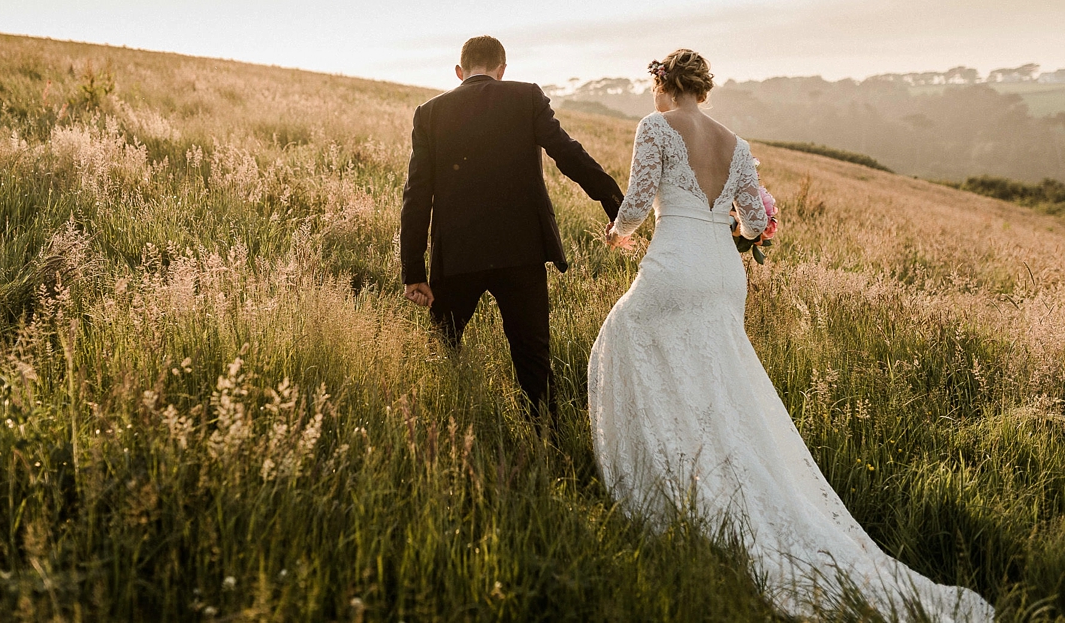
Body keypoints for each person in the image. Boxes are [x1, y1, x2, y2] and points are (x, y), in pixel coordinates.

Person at [589, 49, 993, 622]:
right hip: (725, 275)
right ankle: (716, 468)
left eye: (653, 86)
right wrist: (735, 217)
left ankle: (665, 480)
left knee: (620, 336)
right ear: (701, 87)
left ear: (664, 84)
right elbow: (755, 222)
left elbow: (635, 201)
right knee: (717, 379)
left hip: (676, 262)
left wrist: (617, 233)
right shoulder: (737, 143)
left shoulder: (655, 126)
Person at [400, 35, 624, 418]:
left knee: (441, 351)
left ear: (459, 72)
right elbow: (569, 154)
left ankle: (446, 429)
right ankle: (547, 444)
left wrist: (413, 271)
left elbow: (416, 194)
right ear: (502, 70)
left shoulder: (430, 112)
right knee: (533, 360)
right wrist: (617, 207)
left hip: (456, 256)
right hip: (521, 252)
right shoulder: (526, 97)